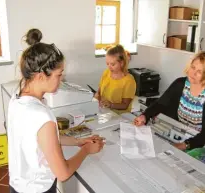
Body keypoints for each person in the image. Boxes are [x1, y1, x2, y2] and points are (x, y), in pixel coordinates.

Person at [8, 29, 104, 193]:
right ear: (40, 76)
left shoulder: (16, 97)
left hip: (18, 186)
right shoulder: (41, 116)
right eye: (59, 75)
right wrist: (86, 150)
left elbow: (42, 140)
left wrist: (78, 141)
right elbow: (63, 173)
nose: (61, 80)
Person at [134, 51, 205, 151]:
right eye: (193, 67)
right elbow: (160, 104)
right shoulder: (180, 83)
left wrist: (185, 145)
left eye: (200, 72)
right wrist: (145, 115)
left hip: (202, 141)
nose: (193, 73)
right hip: (183, 133)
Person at [94, 44, 136, 114]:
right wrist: (97, 96)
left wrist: (111, 105)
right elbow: (99, 91)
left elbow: (125, 105)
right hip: (105, 112)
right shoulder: (106, 72)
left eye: (113, 64)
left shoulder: (129, 80)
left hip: (120, 116)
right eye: (107, 64)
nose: (109, 67)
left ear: (121, 63)